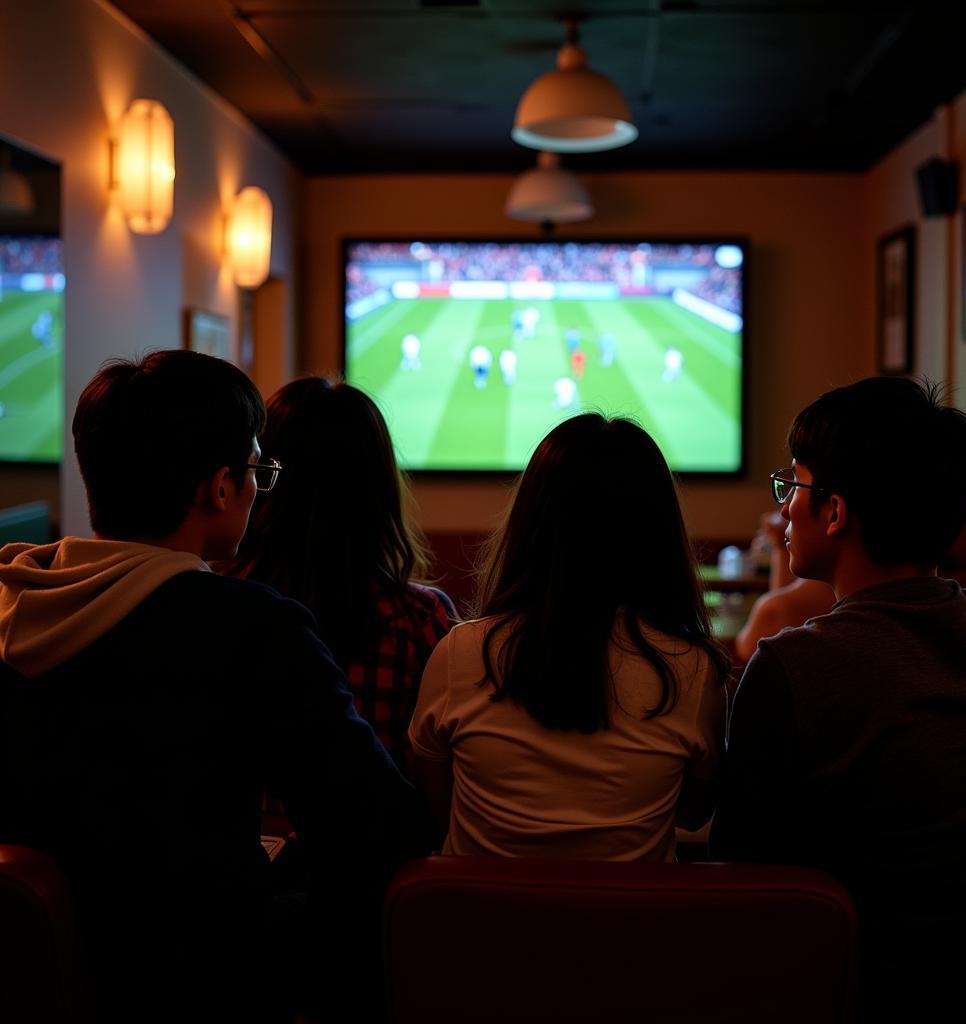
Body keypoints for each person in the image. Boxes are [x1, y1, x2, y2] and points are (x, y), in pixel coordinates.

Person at [0, 351, 421, 1024]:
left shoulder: (10, 601)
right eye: (257, 470)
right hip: (199, 988)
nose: (259, 487)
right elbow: (377, 826)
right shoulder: (250, 629)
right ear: (220, 488)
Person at [711, 377, 966, 1023]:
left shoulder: (791, 666)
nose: (785, 508)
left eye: (793, 486)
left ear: (833, 512)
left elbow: (742, 878)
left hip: (843, 986)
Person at [409, 414, 730, 861]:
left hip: (482, 929)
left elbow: (438, 811)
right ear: (658, 533)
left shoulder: (461, 652)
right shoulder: (693, 671)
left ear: (532, 523)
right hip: (634, 929)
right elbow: (693, 814)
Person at [227, 376, 453, 773]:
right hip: (376, 835)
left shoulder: (216, 601)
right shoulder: (419, 620)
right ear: (379, 485)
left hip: (242, 837)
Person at [733, 509, 834, 661]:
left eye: (796, 490)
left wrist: (780, 544)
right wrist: (780, 545)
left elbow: (745, 649)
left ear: (835, 513)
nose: (785, 508)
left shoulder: (777, 608)